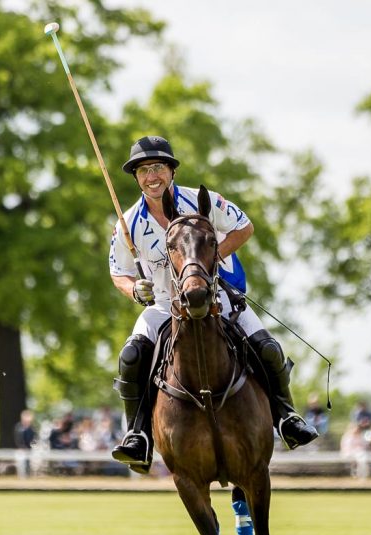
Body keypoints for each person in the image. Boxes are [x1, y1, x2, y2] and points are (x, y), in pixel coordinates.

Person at [108, 136, 318, 470]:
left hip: (216, 293)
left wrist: (208, 257)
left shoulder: (202, 200)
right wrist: (135, 290)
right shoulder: (128, 223)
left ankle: (286, 416)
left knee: (267, 346)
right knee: (131, 356)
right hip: (164, 303)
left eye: (158, 167)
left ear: (172, 170)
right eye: (144, 170)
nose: (152, 176)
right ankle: (138, 435)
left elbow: (243, 226)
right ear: (135, 177)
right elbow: (118, 271)